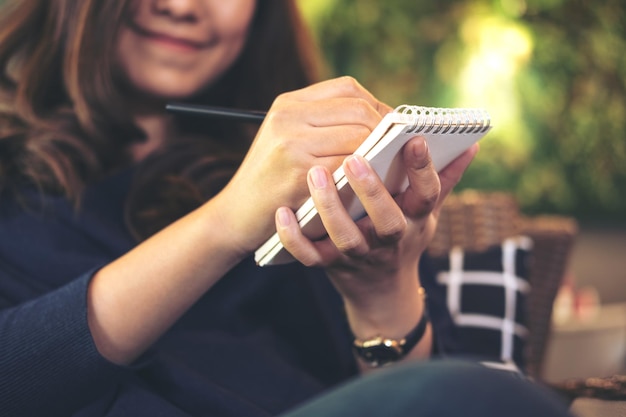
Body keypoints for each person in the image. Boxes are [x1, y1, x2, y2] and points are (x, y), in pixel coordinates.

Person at [0, 1, 573, 416]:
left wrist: (384, 292)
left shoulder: (303, 176)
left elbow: (430, 395)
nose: (182, 6)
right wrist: (226, 222)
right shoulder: (18, 187)